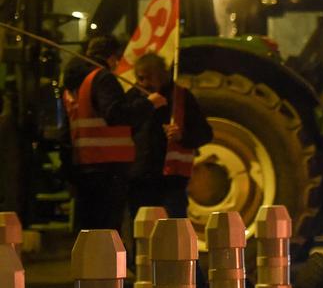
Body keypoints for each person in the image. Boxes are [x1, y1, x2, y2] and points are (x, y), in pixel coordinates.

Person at [62, 35, 164, 234]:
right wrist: (149, 104)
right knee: (108, 230)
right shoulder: (102, 78)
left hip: (85, 165)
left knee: (91, 231)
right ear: (112, 58)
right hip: (108, 167)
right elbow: (116, 114)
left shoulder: (74, 84)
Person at [128, 54, 213, 218]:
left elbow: (205, 134)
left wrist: (182, 136)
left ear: (162, 75)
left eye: (149, 77)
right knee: (141, 227)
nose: (144, 83)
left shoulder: (181, 97)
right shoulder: (132, 97)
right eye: (140, 78)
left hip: (172, 181)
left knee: (174, 228)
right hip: (139, 179)